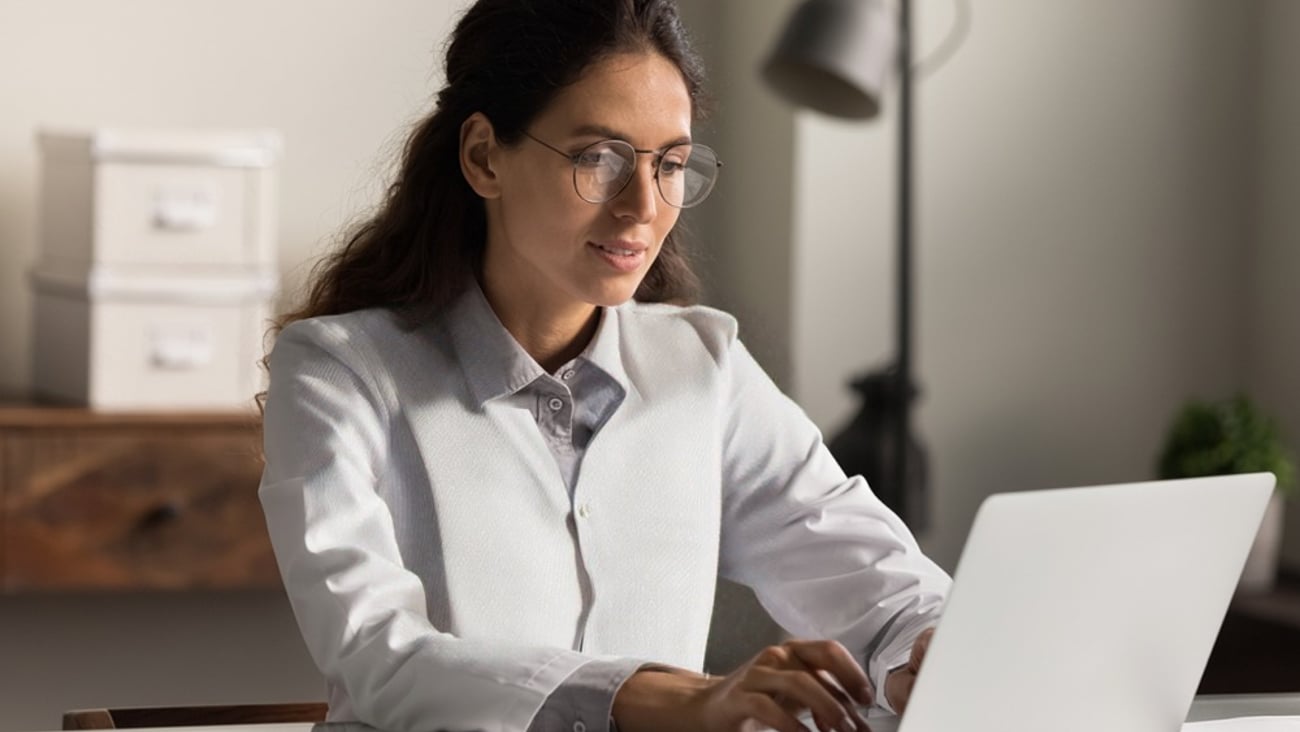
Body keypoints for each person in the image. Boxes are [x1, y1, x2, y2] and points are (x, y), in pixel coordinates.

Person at [257, 1, 950, 731]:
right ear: (484, 156)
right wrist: (665, 698)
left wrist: (923, 648)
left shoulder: (703, 368)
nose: (643, 207)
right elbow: (381, 659)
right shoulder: (340, 372)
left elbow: (875, 583)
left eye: (671, 165)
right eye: (600, 159)